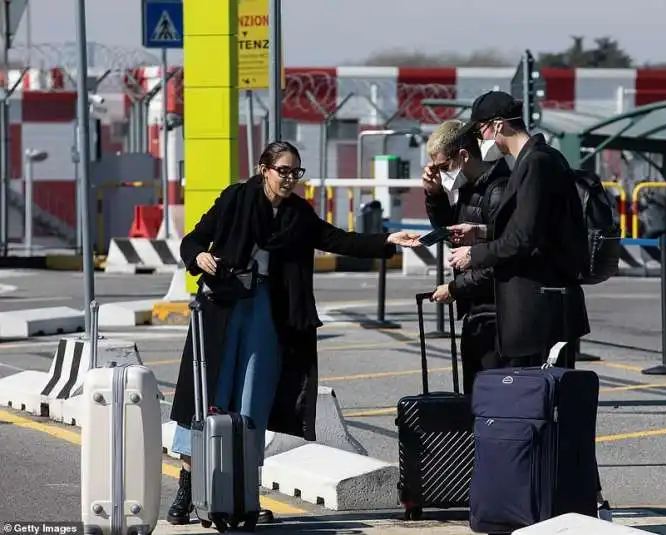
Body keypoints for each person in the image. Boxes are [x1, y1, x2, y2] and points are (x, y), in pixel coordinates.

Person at [166, 141, 420, 525]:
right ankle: (189, 487)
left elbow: (338, 239)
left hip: (269, 312)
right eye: (283, 170)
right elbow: (193, 240)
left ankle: (244, 495)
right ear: (263, 168)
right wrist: (198, 256)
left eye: (295, 172)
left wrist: (386, 241)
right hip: (223, 307)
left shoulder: (298, 215)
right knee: (207, 398)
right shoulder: (236, 199)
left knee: (253, 403)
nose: (289, 179)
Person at [445, 91, 612, 520]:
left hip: (542, 311)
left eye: (483, 129)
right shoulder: (535, 162)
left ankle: (580, 498)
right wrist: (481, 232)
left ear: (499, 125)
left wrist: (474, 256)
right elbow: (527, 229)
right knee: (542, 410)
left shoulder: (537, 163)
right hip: (533, 307)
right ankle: (551, 496)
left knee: (548, 409)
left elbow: (525, 240)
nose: (484, 138)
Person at [421, 119, 510, 394]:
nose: (440, 173)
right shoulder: (469, 186)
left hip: (497, 315)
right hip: (476, 311)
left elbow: (502, 258)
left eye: (443, 166)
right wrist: (434, 195)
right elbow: (451, 234)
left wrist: (455, 287)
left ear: (462, 155)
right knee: (476, 398)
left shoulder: (497, 190)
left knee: (491, 398)